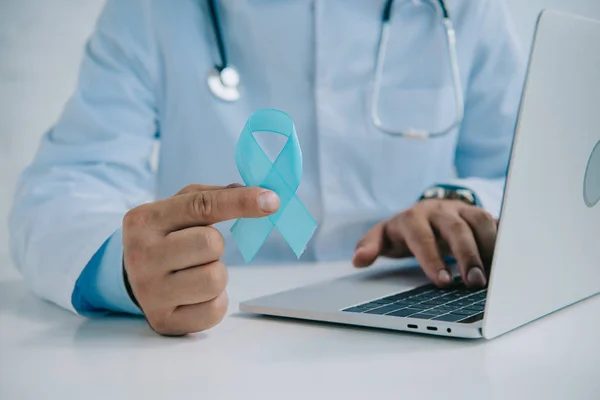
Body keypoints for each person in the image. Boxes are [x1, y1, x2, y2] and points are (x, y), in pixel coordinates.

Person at [9, 0, 525, 336]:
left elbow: (526, 169)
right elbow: (64, 185)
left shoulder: (467, 9)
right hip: (218, 331)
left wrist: (461, 203)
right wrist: (127, 265)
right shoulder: (149, 11)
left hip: (420, 309)